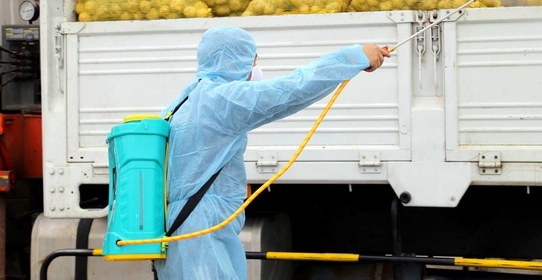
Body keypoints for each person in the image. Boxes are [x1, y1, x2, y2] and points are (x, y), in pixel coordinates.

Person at [154, 25, 390, 280]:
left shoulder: (183, 102)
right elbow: (292, 89)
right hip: (202, 238)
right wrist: (356, 57)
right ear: (236, 60)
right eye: (253, 60)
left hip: (180, 232)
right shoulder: (221, 101)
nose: (255, 68)